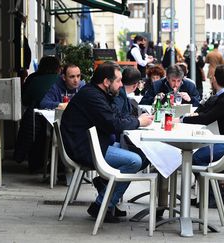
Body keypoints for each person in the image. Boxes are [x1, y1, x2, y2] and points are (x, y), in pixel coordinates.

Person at [60, 62, 154, 223]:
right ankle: (102, 204)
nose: (121, 84)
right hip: (85, 148)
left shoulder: (100, 94)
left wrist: (136, 120)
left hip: (96, 144)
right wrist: (138, 122)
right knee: (134, 160)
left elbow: (117, 116)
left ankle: (105, 184)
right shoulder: (92, 96)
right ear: (106, 82)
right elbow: (113, 124)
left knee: (144, 154)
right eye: (118, 81)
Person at [178, 64, 224, 207]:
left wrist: (182, 119)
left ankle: (214, 198)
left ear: (214, 79)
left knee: (196, 157)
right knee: (196, 154)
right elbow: (206, 113)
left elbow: (206, 118)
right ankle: (209, 196)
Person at [14, 56, 61, 172]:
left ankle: (36, 163)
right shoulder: (60, 81)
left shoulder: (33, 80)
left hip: (34, 121)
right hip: (57, 120)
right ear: (58, 68)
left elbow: (25, 100)